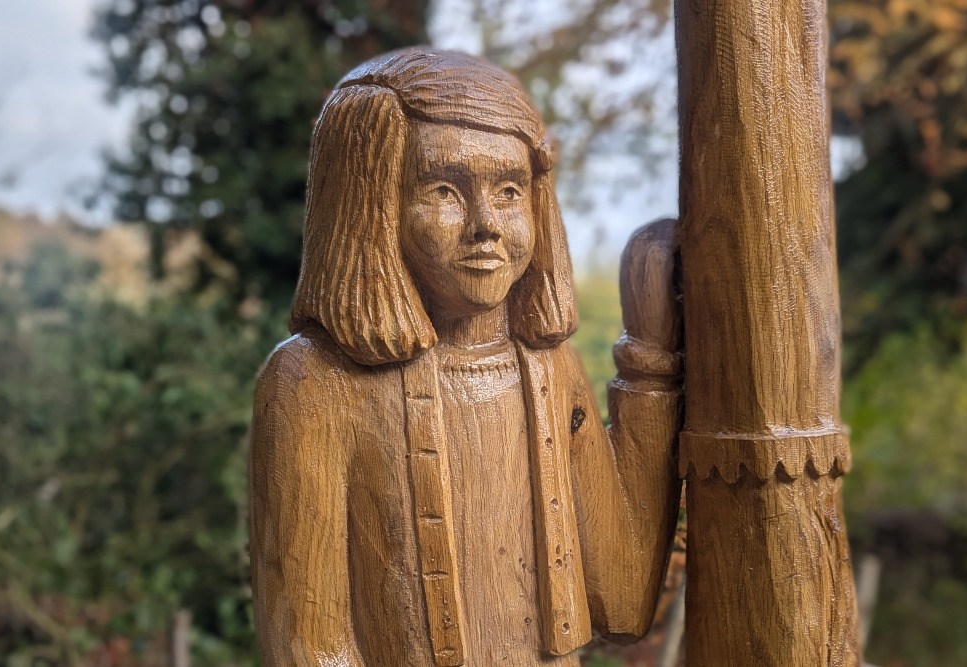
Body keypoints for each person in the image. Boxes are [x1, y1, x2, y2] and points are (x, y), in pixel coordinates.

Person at [248, 47, 682, 667]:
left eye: (509, 191)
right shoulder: (312, 385)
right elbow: (311, 645)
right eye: (445, 189)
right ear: (371, 206)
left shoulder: (548, 369)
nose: (487, 224)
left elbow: (621, 601)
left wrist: (652, 359)